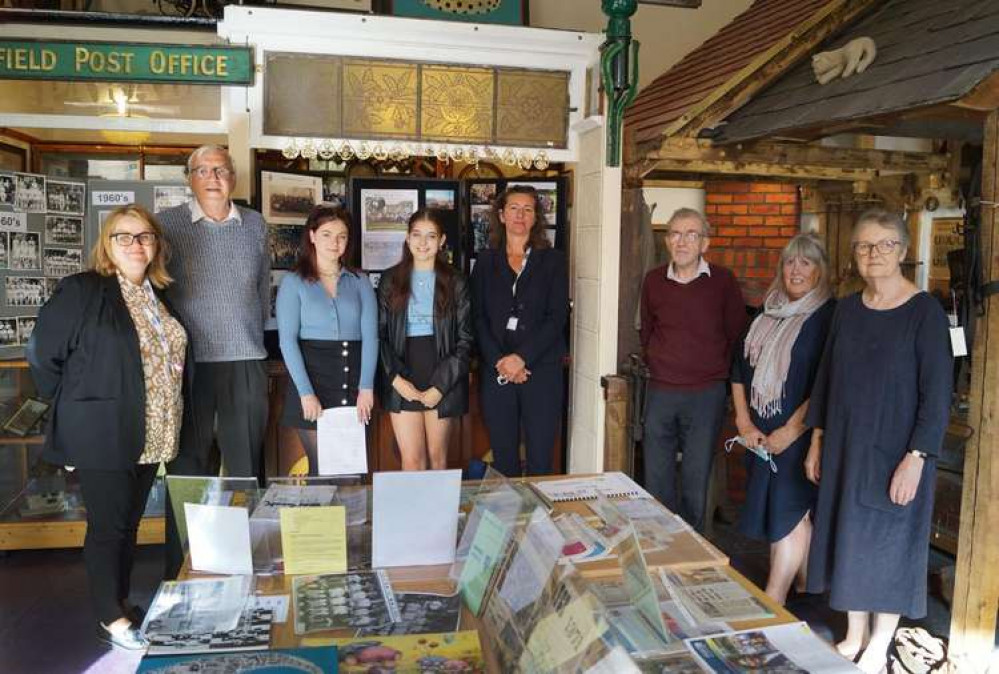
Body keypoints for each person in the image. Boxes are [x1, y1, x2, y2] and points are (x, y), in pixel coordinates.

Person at [27, 205, 190, 650]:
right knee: (107, 527)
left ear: (156, 245)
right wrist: (81, 403)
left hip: (152, 430)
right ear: (107, 244)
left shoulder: (159, 295)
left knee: (127, 524)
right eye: (125, 236)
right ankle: (111, 616)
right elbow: (43, 354)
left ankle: (117, 600)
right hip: (103, 430)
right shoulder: (84, 290)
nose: (136, 244)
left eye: (144, 237)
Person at [804, 210, 952, 673]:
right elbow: (826, 378)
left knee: (888, 546)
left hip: (897, 453)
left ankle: (880, 643)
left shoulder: (924, 312)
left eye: (885, 245)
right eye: (864, 246)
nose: (874, 255)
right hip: (847, 447)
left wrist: (917, 457)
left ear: (904, 252)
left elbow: (938, 393)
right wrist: (817, 440)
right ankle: (854, 633)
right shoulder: (846, 309)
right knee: (848, 539)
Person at [730, 233, 835, 605]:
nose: (796, 269)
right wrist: (744, 423)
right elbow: (738, 369)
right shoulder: (766, 312)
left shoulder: (828, 316)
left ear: (820, 271)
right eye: (790, 262)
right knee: (786, 511)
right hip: (760, 437)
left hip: (800, 437)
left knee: (790, 513)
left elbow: (825, 383)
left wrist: (791, 431)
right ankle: (807, 587)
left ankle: (774, 599)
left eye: (805, 262)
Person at [640, 207, 748, 532]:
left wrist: (717, 379)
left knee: (695, 477)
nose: (682, 241)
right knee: (657, 476)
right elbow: (647, 332)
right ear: (667, 241)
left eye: (691, 234)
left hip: (705, 394)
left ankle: (693, 550)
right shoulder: (654, 281)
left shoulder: (723, 282)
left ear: (705, 243)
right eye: (675, 233)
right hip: (661, 390)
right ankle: (660, 544)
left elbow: (736, 335)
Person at [470, 185, 569, 476]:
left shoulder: (553, 261)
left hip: (541, 371)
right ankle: (510, 520)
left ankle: (538, 522)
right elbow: (477, 318)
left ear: (536, 217)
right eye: (514, 208)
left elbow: (556, 316)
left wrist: (521, 358)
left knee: (540, 459)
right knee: (504, 459)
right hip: (497, 372)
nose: (520, 215)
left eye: (528, 209)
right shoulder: (486, 261)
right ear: (501, 215)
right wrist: (501, 362)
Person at [276, 205, 376, 474]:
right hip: (312, 381)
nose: (335, 242)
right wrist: (306, 393)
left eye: (341, 236)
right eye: (327, 234)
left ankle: (348, 518)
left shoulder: (361, 282)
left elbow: (371, 338)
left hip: (352, 383)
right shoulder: (293, 282)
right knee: (321, 469)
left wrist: (366, 388)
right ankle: (320, 518)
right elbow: (287, 341)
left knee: (350, 470)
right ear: (312, 236)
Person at [377, 209, 473, 470]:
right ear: (407, 239)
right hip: (402, 372)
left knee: (438, 458)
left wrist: (441, 386)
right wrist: (396, 380)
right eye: (417, 235)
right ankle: (413, 512)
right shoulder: (390, 280)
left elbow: (466, 340)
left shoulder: (456, 282)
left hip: (442, 372)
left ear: (441, 241)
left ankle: (440, 513)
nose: (423, 243)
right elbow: (380, 336)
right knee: (411, 459)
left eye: (431, 236)